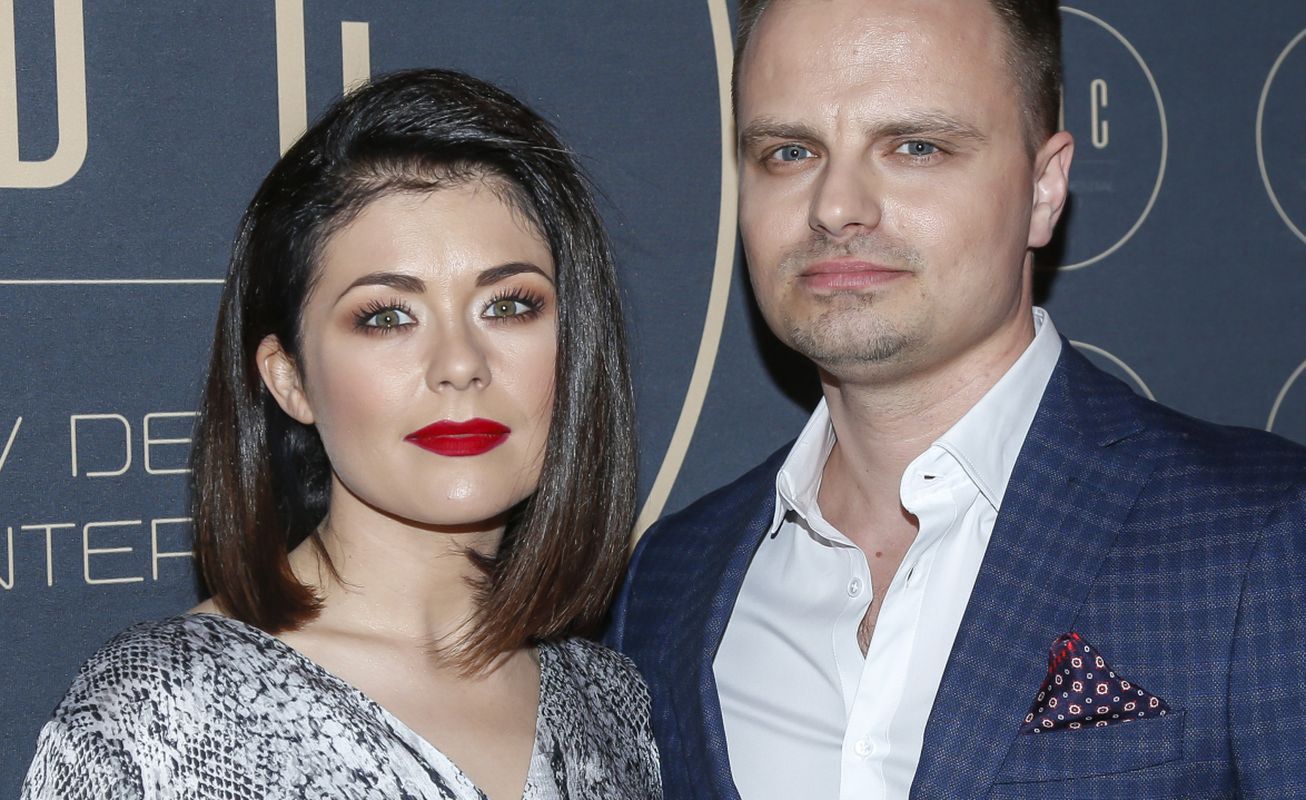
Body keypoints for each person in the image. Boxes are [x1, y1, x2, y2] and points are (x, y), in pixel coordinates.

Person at [608, 0, 1306, 798]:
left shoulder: (1258, 538)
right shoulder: (668, 584)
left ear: (1044, 188)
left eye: (916, 147)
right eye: (790, 151)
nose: (835, 206)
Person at [24, 69, 660, 800]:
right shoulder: (160, 717)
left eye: (509, 305)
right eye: (387, 316)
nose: (460, 364)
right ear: (290, 378)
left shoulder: (611, 704)